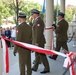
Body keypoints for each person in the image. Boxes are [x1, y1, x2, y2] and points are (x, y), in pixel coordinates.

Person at [30, 9, 50, 74]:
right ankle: (35, 67)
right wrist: (30, 22)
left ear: (36, 14)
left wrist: (36, 42)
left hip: (39, 41)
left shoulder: (39, 21)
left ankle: (47, 68)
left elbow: (39, 32)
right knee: (37, 55)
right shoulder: (36, 20)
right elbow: (34, 29)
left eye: (32, 14)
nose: (32, 15)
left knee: (42, 55)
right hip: (37, 41)